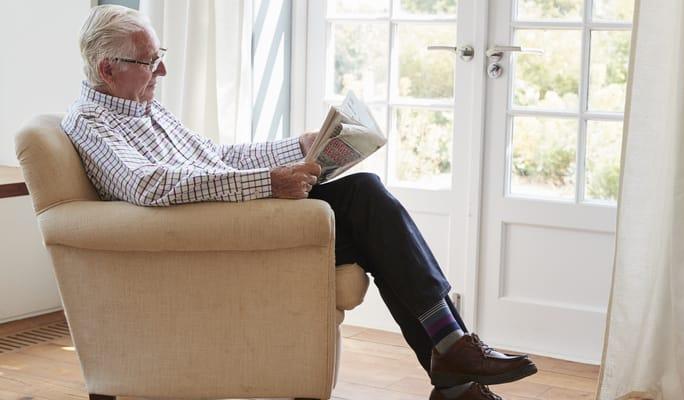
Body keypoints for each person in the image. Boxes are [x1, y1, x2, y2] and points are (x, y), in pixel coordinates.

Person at [62, 5, 536, 400]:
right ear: (108, 68)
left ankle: (452, 360)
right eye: (150, 62)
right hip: (225, 238)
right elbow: (150, 186)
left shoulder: (148, 108)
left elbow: (218, 157)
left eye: (159, 56)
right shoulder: (90, 121)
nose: (161, 70)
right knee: (367, 205)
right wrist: (268, 183)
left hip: (243, 221)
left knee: (367, 199)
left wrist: (301, 146)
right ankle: (452, 357)